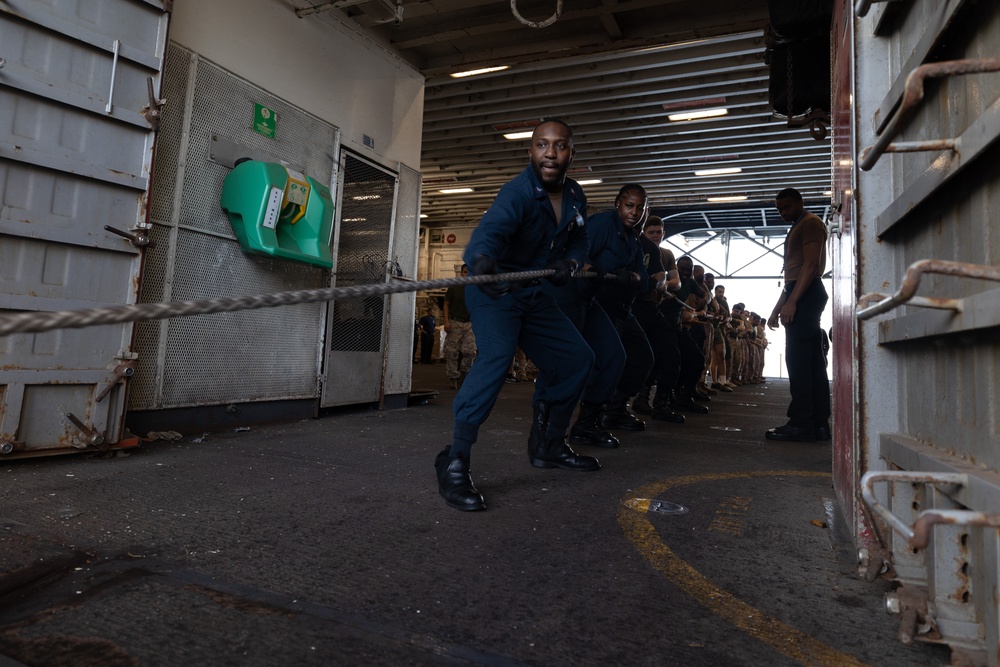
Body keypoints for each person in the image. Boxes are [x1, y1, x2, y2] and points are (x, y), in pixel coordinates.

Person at [434, 118, 600, 512]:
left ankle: (548, 444)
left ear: (570, 154)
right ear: (531, 151)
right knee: (496, 358)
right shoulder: (518, 192)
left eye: (559, 146)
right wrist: (483, 261)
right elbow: (491, 231)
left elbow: (580, 238)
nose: (550, 153)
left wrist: (572, 262)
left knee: (577, 360)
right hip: (494, 291)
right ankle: (454, 460)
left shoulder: (575, 195)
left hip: (533, 293)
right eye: (542, 145)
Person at [765, 187, 831, 442]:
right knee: (812, 363)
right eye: (780, 209)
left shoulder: (811, 223)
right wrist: (778, 308)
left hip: (807, 293)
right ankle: (818, 425)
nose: (783, 212)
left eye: (788, 207)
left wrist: (792, 302)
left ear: (800, 202)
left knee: (799, 362)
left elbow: (811, 266)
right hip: (801, 291)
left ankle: (801, 423)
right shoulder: (799, 225)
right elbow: (792, 276)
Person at [443, 264, 476, 389]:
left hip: (469, 323)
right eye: (465, 272)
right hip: (455, 322)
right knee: (452, 351)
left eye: (469, 272)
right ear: (461, 273)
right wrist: (446, 321)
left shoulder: (475, 288)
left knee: (470, 351)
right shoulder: (454, 287)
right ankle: (453, 377)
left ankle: (464, 374)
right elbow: (446, 304)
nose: (467, 275)